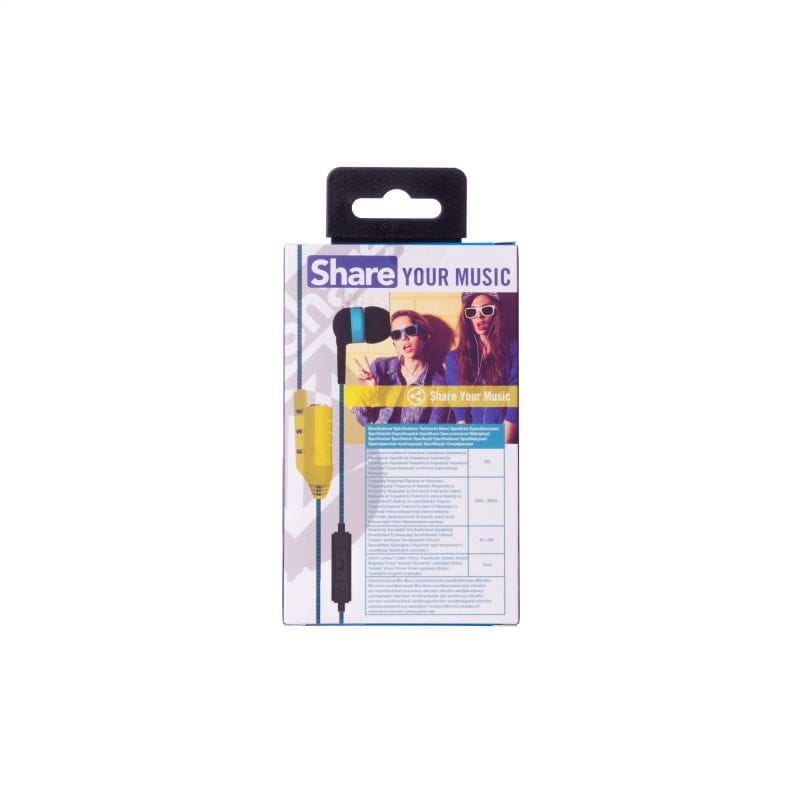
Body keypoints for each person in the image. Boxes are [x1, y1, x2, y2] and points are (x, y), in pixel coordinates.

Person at [444, 292, 519, 443]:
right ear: (467, 318)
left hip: (506, 438)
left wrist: (502, 445)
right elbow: (460, 410)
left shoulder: (515, 350)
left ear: (496, 313)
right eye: (472, 312)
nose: (479, 316)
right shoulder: (455, 359)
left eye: (486, 310)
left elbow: (515, 405)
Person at [352, 309, 448, 425]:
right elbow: (363, 421)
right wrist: (368, 394)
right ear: (395, 343)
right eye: (396, 334)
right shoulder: (380, 368)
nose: (404, 337)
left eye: (410, 330)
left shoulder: (438, 385)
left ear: (423, 337)